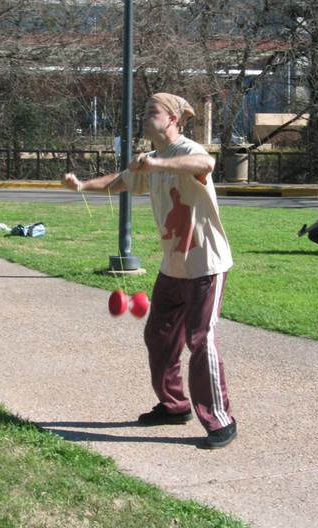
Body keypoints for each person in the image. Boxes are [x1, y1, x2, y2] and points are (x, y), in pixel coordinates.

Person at [62, 92, 236, 449]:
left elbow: (206, 164)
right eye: (142, 111)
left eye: (151, 111)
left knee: (200, 340)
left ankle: (220, 419)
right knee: (158, 338)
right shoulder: (151, 159)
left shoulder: (185, 149)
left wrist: (157, 166)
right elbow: (120, 181)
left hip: (207, 264)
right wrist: (81, 185)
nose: (143, 116)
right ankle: (174, 406)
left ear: (172, 118)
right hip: (172, 267)